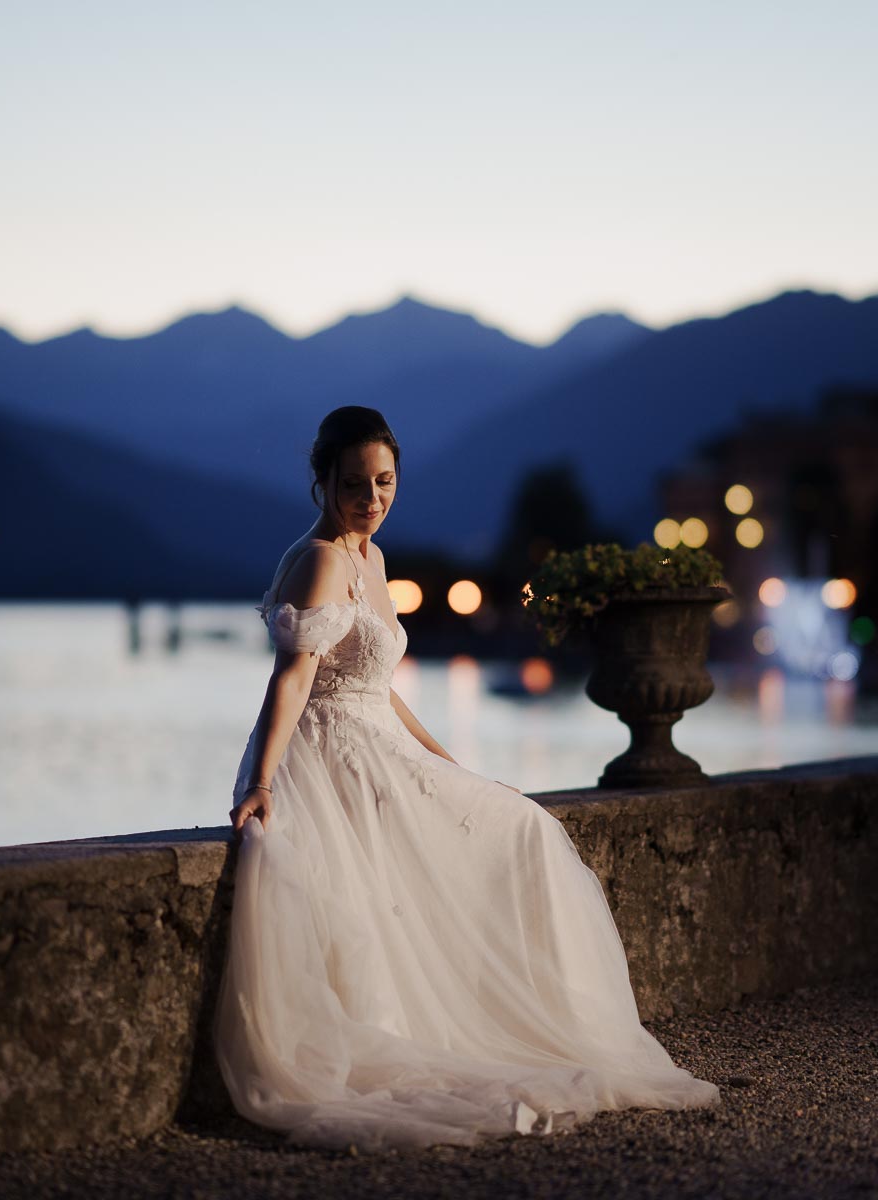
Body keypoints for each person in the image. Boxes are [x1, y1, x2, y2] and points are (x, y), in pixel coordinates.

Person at [214, 405, 722, 1152]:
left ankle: (555, 1017)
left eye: (385, 482)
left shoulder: (371, 558)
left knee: (521, 823)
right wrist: (260, 782)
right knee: (499, 842)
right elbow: (295, 679)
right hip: (326, 754)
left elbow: (379, 687)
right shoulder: (321, 559)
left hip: (377, 742)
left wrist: (444, 761)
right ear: (322, 482)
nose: (372, 499)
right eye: (354, 484)